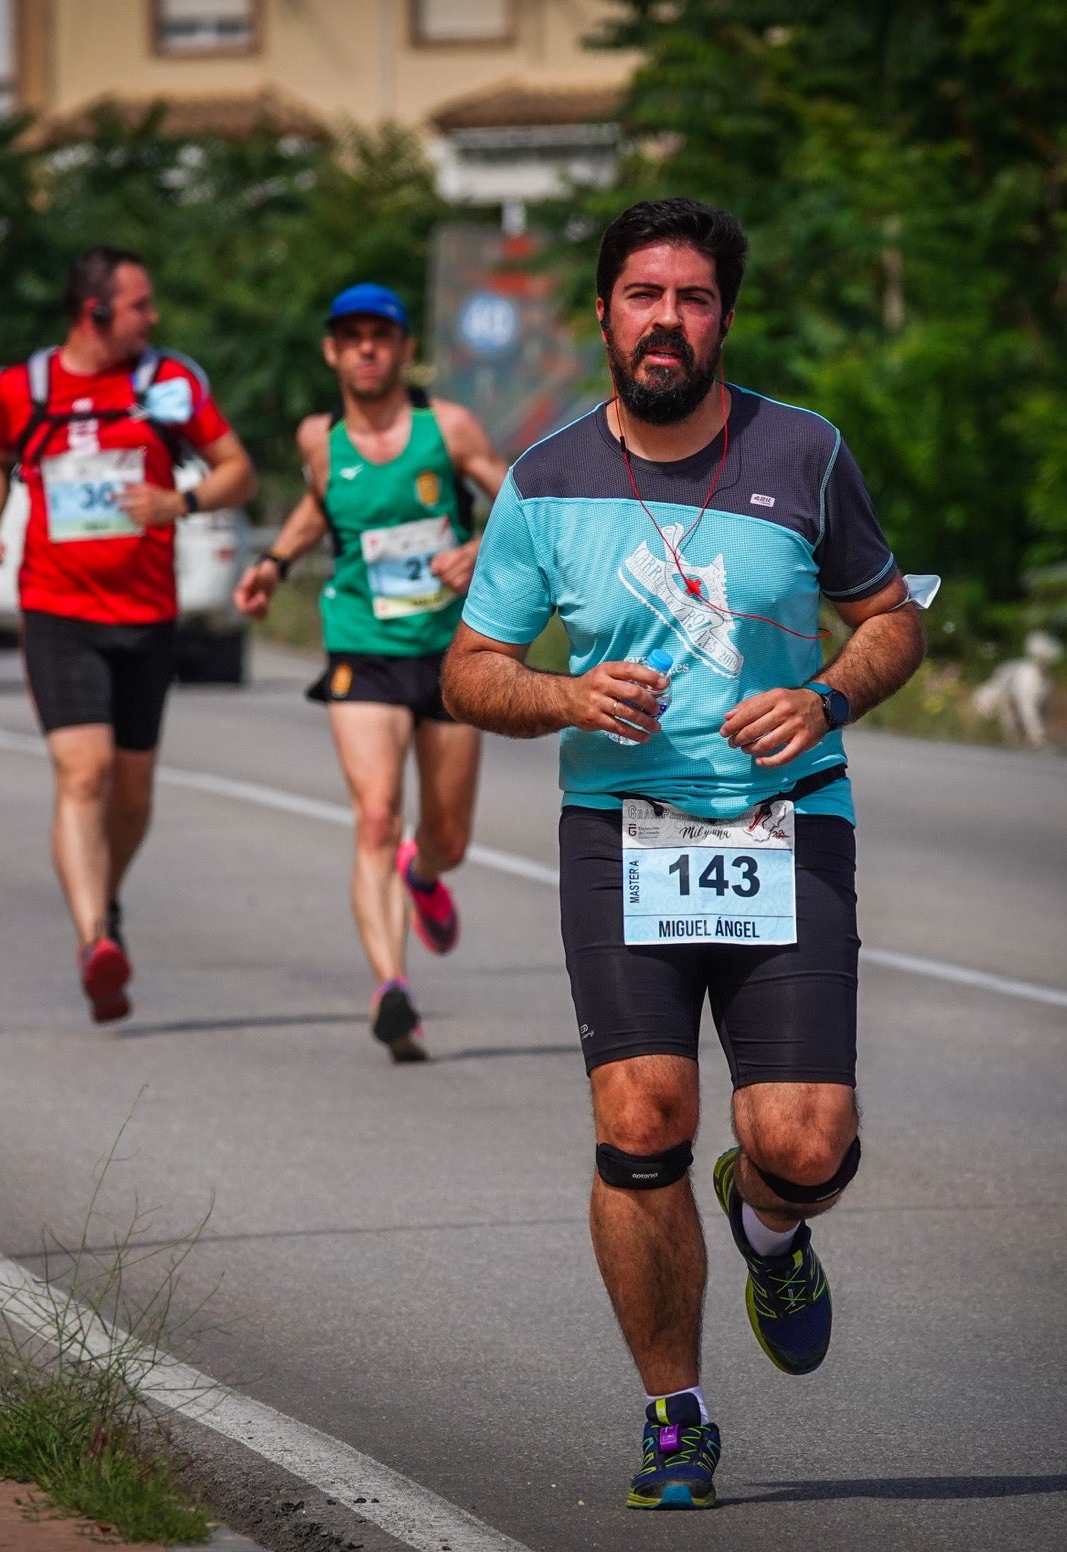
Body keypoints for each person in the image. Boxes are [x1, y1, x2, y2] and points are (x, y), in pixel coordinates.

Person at [442, 198, 925, 1509]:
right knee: (641, 1117)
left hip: (787, 819)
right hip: (622, 831)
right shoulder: (543, 481)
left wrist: (824, 696)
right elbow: (469, 671)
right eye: (644, 294)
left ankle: (769, 1222)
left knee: (808, 1140)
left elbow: (891, 620)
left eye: (695, 297)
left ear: (724, 318)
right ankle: (677, 1412)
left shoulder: (805, 452)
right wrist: (563, 695)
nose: (668, 319)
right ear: (602, 313)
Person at [0, 247, 257, 1023]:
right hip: (58, 610)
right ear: (94, 313)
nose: (153, 318)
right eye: (139, 305)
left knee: (131, 791)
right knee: (84, 773)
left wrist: (181, 502)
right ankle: (95, 936)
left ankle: (106, 893)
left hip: (145, 615)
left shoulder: (167, 384)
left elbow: (238, 469)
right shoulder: (22, 389)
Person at [232, 284, 507, 1061]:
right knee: (377, 815)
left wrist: (478, 551)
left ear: (402, 346)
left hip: (454, 654)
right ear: (331, 351)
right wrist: (274, 562)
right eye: (350, 337)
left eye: (379, 336)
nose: (365, 349)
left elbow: (524, 502)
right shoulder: (318, 439)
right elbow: (320, 506)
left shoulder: (445, 428)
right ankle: (392, 987)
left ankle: (430, 871)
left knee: (447, 833)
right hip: (361, 645)